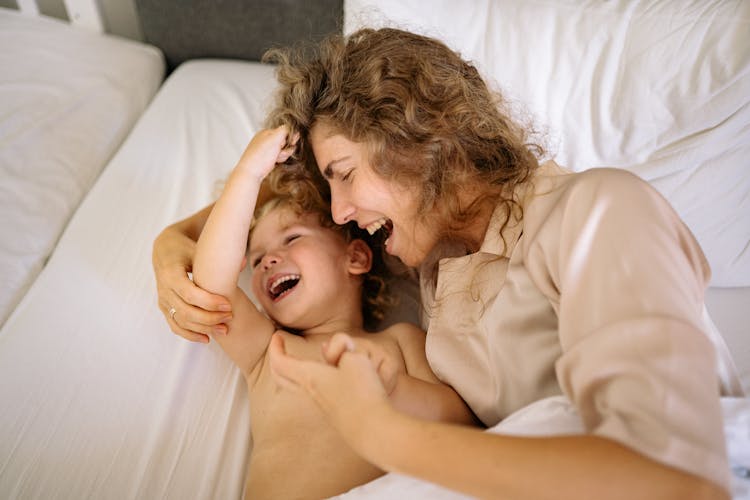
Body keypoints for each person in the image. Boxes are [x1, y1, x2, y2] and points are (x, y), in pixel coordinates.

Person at [152, 28, 731, 499]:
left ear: (416, 137)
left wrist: (381, 432)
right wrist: (171, 242)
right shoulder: (433, 261)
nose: (345, 212)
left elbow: (680, 482)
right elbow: (282, 205)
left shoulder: (598, 209)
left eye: (346, 175)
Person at [178, 125, 476, 500]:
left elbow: (459, 421)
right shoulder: (268, 351)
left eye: (292, 238)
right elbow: (212, 284)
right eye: (255, 261)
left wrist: (392, 387)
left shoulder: (400, 341)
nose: (268, 260)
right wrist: (248, 175)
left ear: (355, 257)